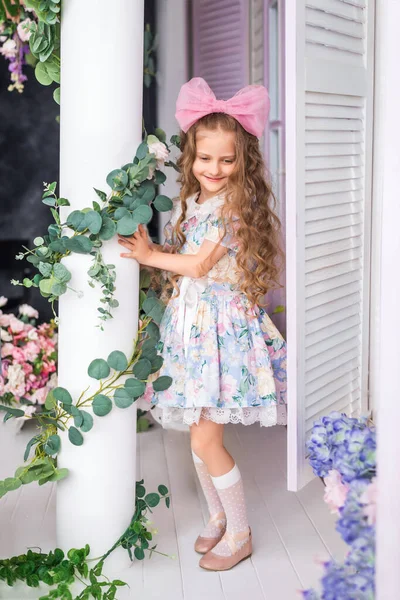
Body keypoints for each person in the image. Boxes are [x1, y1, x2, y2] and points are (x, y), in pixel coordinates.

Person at [118, 77, 287, 571]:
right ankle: (216, 516)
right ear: (191, 156)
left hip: (221, 334)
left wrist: (151, 256)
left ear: (243, 162)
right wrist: (161, 252)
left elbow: (198, 268)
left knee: (205, 439)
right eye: (204, 158)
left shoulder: (233, 209)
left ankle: (241, 532)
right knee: (197, 430)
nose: (214, 169)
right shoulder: (198, 202)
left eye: (226, 160)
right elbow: (190, 258)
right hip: (194, 329)